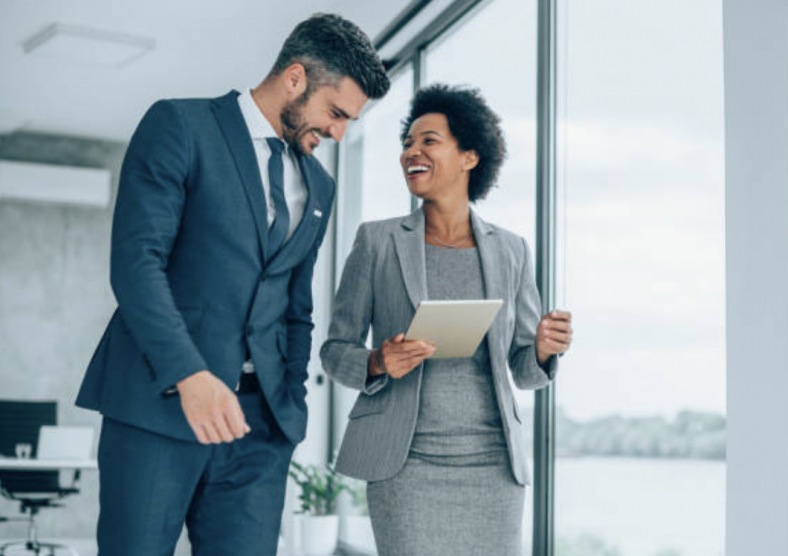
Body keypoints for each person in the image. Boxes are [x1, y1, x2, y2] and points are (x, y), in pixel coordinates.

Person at [75, 13, 389, 556]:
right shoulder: (180, 126)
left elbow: (296, 305)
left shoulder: (319, 184)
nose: (339, 132)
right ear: (295, 78)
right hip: (158, 409)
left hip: (259, 430)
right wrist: (189, 375)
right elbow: (137, 264)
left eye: (349, 122)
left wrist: (289, 406)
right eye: (335, 113)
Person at [321, 84, 573, 556]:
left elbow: (521, 370)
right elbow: (335, 351)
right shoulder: (377, 242)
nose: (411, 152)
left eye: (428, 141)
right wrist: (378, 361)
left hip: (494, 467)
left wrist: (540, 349)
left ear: (469, 157)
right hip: (406, 466)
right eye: (407, 143)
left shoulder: (511, 249)